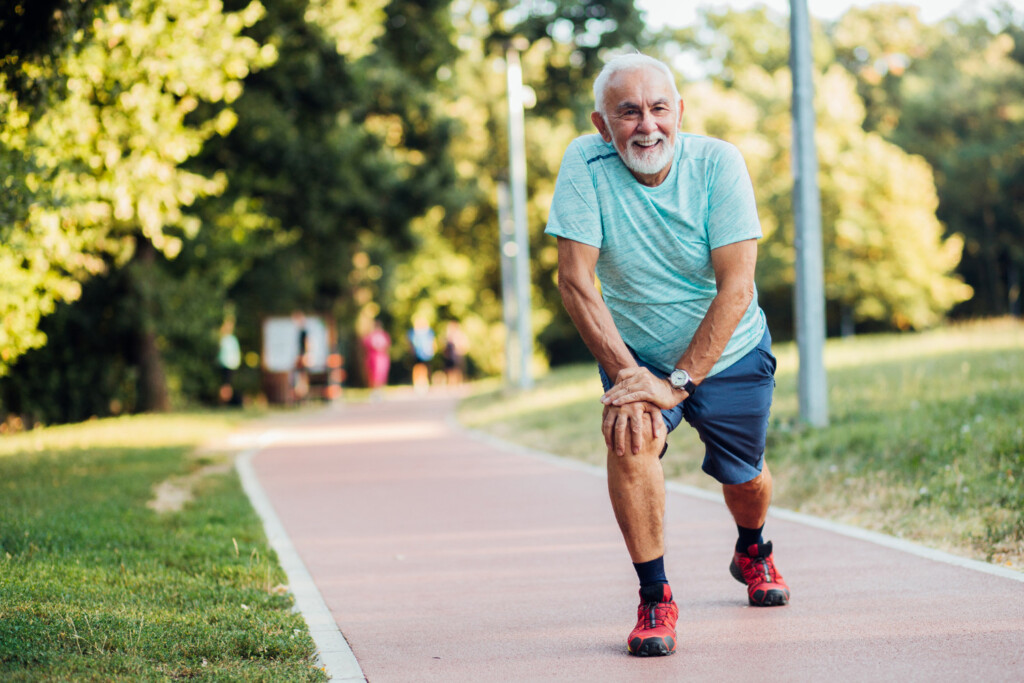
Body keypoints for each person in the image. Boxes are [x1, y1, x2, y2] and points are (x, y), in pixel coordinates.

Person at [546, 53, 789, 658]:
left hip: (728, 350)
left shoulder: (718, 164)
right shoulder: (584, 163)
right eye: (628, 112)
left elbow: (737, 287)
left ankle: (753, 548)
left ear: (680, 113)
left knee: (747, 476)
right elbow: (576, 282)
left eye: (658, 109)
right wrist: (633, 377)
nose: (646, 125)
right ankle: (655, 596)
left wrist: (677, 381)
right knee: (630, 437)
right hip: (637, 353)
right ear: (603, 125)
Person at [362, 320, 392, 397]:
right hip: (373, 358)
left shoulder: (384, 335)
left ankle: (379, 390)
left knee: (381, 374)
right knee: (373, 375)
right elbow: (365, 344)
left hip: (381, 358)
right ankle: (374, 391)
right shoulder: (371, 336)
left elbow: (387, 346)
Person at [217, 317, 242, 406]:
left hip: (231, 365)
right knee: (226, 385)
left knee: (227, 385)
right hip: (224, 365)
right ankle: (224, 402)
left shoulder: (231, 339)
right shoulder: (224, 339)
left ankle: (225, 402)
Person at [407, 316, 436, 392]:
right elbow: (410, 343)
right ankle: (417, 383)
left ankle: (425, 382)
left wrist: (432, 350)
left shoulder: (429, 332)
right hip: (417, 353)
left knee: (425, 368)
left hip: (426, 354)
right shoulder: (413, 332)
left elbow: (432, 341)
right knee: (417, 368)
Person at [442, 320, 469, 386]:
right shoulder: (448, 336)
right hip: (450, 356)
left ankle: (459, 383)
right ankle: (451, 384)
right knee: (450, 370)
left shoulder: (460, 335)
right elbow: (444, 347)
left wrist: (460, 351)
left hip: (457, 355)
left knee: (458, 369)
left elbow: (465, 345)